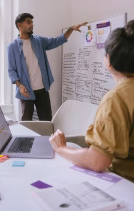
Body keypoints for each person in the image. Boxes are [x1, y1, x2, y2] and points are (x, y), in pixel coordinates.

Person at [49, 20, 134, 182]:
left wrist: (61, 148)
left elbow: (98, 161)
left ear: (108, 61)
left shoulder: (116, 98)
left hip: (125, 186)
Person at [7, 13, 87, 121]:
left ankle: (47, 139)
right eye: (28, 22)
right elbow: (11, 70)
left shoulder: (39, 41)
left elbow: (56, 41)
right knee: (26, 123)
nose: (32, 25)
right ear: (20, 25)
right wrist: (20, 86)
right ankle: (27, 139)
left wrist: (71, 29)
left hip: (42, 89)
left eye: (32, 22)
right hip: (26, 92)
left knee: (47, 121)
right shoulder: (12, 47)